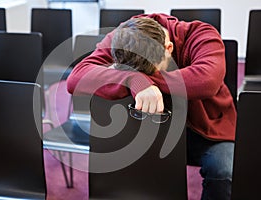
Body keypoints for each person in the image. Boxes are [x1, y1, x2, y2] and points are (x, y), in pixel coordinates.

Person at [67, 13, 236, 200]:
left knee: (224, 172)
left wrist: (132, 78)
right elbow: (76, 78)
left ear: (168, 49)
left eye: (152, 71)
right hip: (151, 126)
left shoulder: (201, 34)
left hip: (204, 129)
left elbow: (207, 80)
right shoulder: (123, 37)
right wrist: (133, 79)